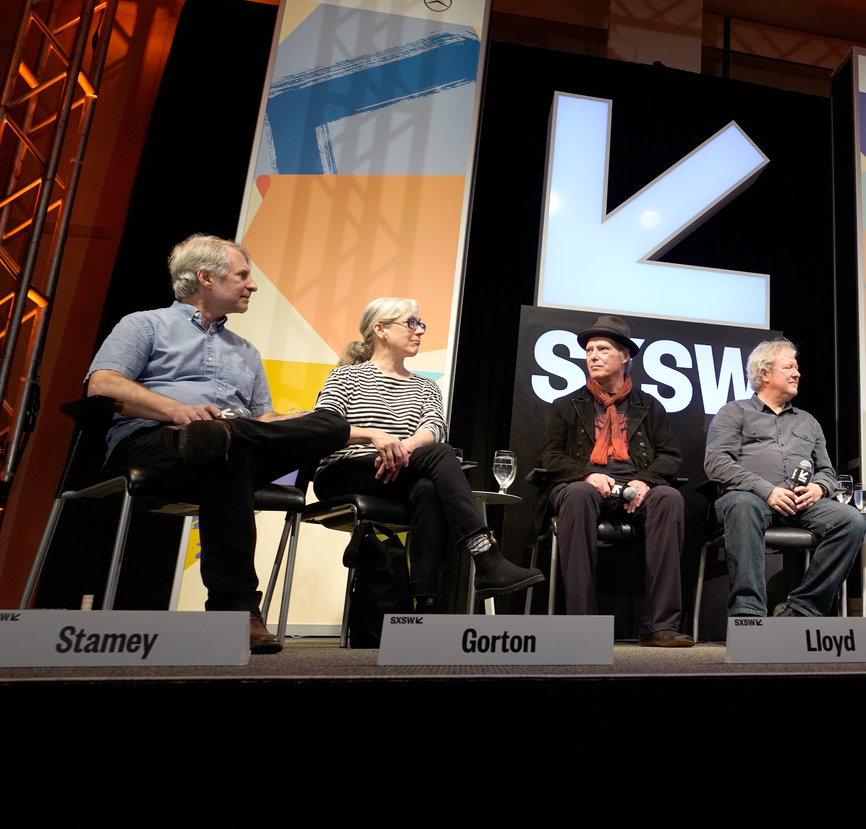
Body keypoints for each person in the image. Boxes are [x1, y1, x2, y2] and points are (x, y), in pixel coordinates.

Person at [86, 234, 351, 654]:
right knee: (228, 452)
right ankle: (237, 610)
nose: (253, 285)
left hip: (229, 444)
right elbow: (102, 385)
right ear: (206, 277)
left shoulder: (246, 351)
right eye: (243, 275)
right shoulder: (145, 324)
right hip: (155, 442)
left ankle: (223, 435)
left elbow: (262, 421)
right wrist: (177, 411)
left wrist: (299, 422)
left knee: (331, 424)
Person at [312, 298, 543, 612]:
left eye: (421, 324)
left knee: (426, 488)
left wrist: (402, 448)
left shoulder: (426, 387)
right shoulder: (346, 377)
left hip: (400, 472)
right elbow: (324, 427)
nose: (419, 331)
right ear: (380, 330)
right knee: (441, 455)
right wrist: (375, 436)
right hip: (345, 472)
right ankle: (485, 556)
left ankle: (424, 605)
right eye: (411, 323)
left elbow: (434, 427)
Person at [536, 315, 692, 647]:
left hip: (634, 488)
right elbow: (549, 456)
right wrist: (587, 474)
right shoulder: (567, 405)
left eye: (602, 349)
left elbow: (670, 456)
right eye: (589, 350)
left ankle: (659, 626)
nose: (592, 356)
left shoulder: (649, 406)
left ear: (625, 356)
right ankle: (582, 627)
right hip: (585, 487)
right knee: (578, 494)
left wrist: (646, 481)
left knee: (670, 499)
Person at [705, 339, 866, 618]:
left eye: (797, 368)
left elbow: (827, 471)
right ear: (764, 373)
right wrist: (766, 491)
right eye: (789, 367)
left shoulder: (808, 421)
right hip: (751, 500)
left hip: (802, 505)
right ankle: (749, 612)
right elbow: (716, 462)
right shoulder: (734, 412)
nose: (797, 373)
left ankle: (803, 609)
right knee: (743, 504)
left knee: (851, 520)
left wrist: (819, 488)